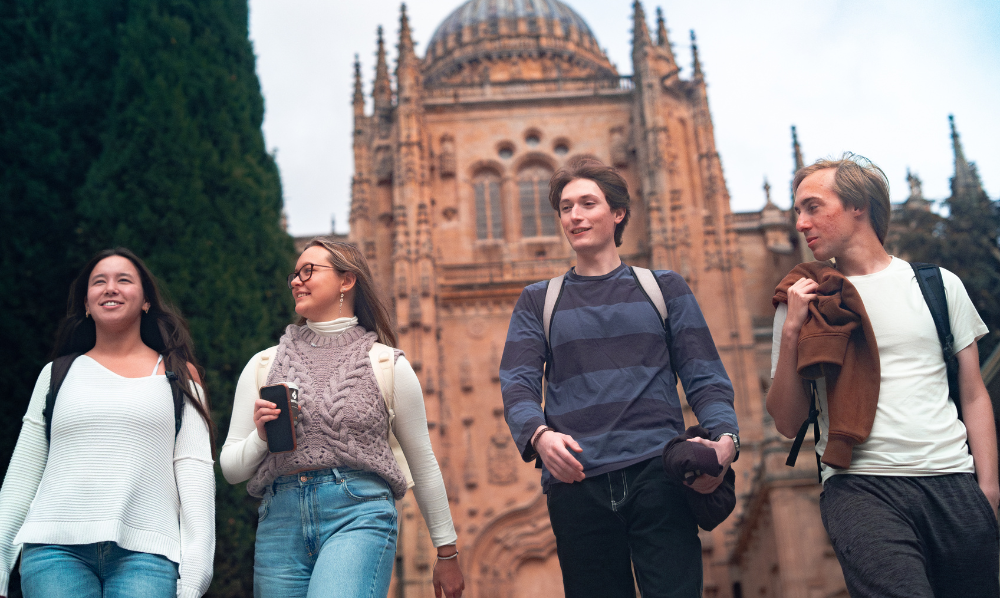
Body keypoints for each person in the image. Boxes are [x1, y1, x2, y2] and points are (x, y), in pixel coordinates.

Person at [499, 157, 739, 597]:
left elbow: (704, 375)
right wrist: (538, 436)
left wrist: (727, 441)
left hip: (658, 476)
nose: (575, 215)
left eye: (588, 203)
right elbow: (517, 382)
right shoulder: (538, 301)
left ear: (618, 213)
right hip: (576, 484)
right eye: (566, 207)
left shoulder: (664, 288)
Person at [767, 154, 999, 597]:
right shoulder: (802, 300)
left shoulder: (938, 285)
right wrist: (794, 327)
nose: (800, 223)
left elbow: (973, 394)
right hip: (860, 487)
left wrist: (987, 490)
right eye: (797, 210)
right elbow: (787, 422)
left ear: (859, 206)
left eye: (812, 207)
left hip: (953, 483)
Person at [220, 238, 464, 598]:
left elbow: (422, 462)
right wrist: (260, 436)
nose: (295, 281)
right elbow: (230, 469)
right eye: (294, 274)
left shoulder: (387, 365)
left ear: (346, 281)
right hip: (280, 521)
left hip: (359, 513)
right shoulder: (262, 365)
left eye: (309, 271)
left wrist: (447, 551)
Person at [0, 248, 216, 598]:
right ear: (86, 303)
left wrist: (195, 573)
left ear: (146, 300)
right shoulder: (56, 375)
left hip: (148, 556)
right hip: (53, 549)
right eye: (99, 282)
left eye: (124, 280)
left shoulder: (178, 377)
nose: (110, 288)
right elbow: (23, 474)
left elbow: (195, 473)